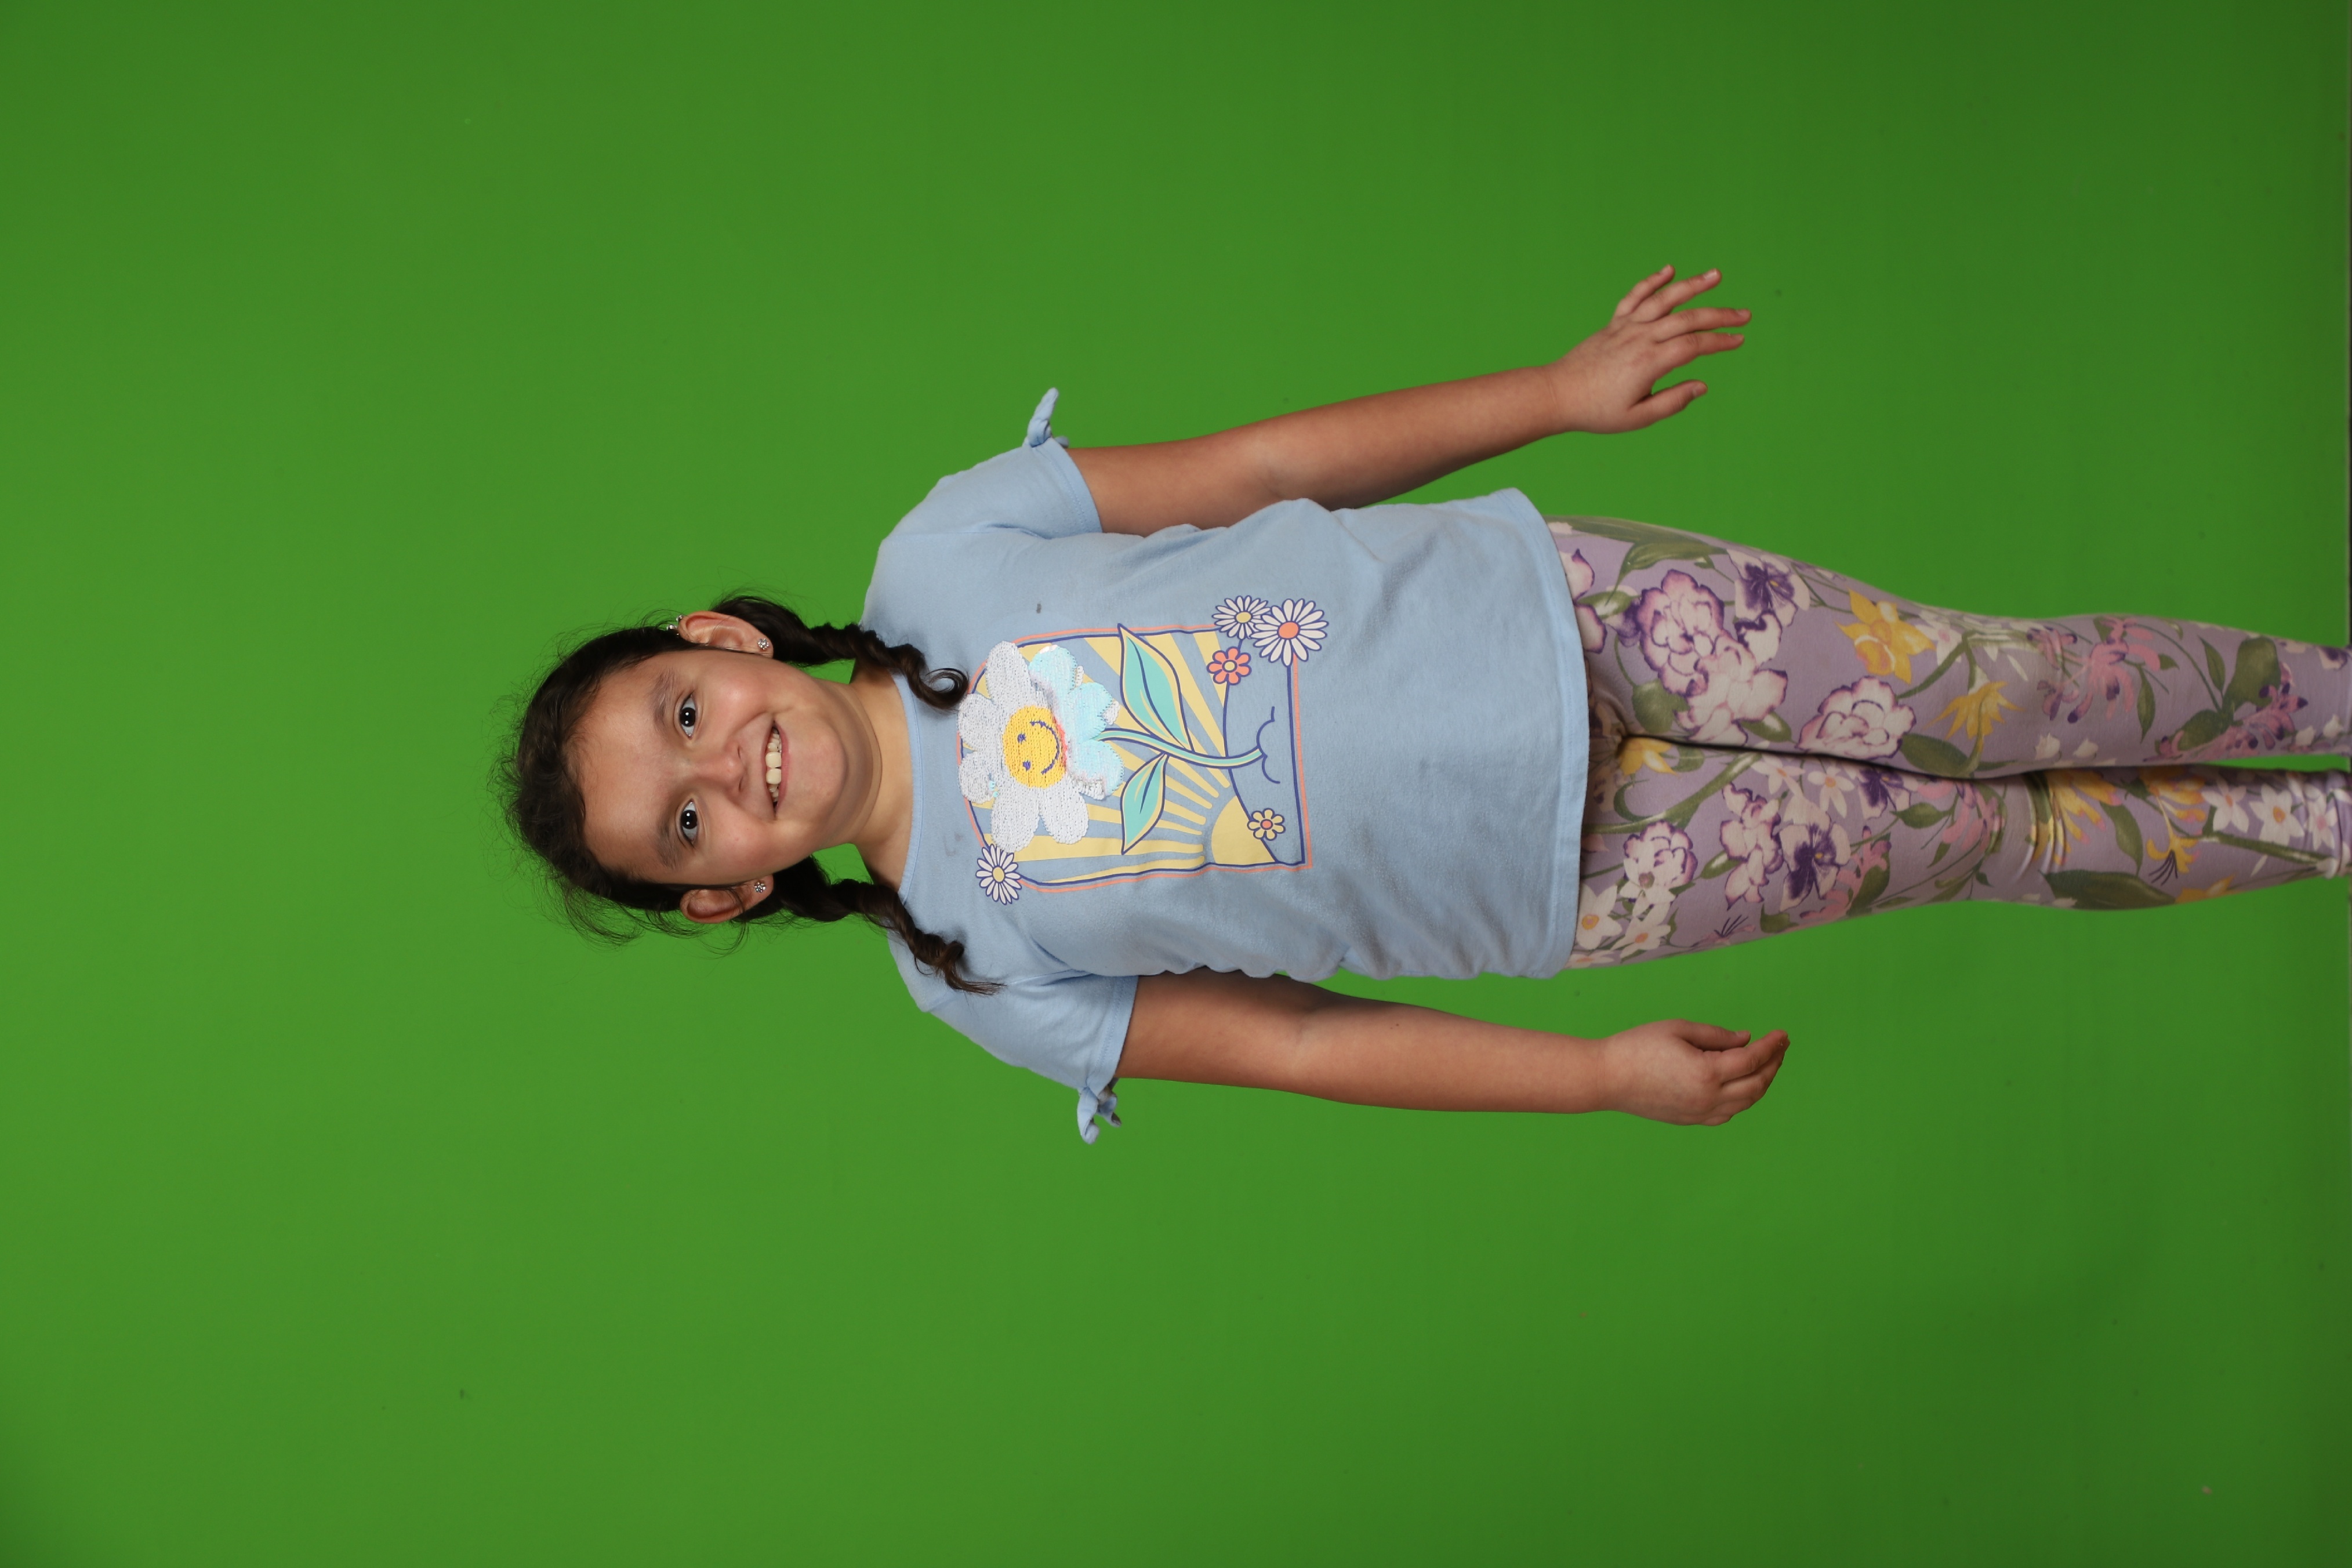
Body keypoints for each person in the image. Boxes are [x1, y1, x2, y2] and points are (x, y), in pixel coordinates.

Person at [504, 266, 2352, 1142]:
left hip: (1585, 617)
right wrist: (1597, 1080)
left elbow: (1258, 467)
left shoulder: (942, 554)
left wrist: (1551, 393)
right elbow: (1305, 1047)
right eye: (688, 824)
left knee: (2000, 693)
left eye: (682, 713)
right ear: (726, 891)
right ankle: (2327, 828)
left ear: (714, 641)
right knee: (1987, 839)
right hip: (1587, 875)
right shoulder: (974, 973)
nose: (726, 767)